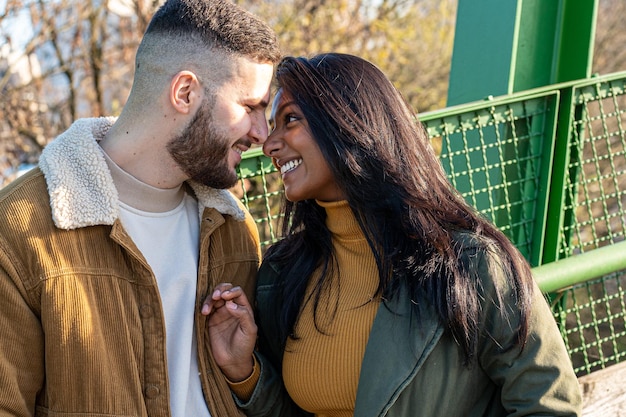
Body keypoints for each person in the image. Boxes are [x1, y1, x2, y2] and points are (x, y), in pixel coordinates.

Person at [204, 53, 583, 416]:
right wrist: (246, 373)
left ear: (347, 123)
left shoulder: (469, 265)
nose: (269, 144)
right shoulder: (282, 274)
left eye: (290, 120)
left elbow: (549, 405)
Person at [0, 0, 280, 415]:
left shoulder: (234, 229)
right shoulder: (20, 228)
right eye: (250, 107)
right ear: (185, 92)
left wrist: (243, 373)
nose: (261, 133)